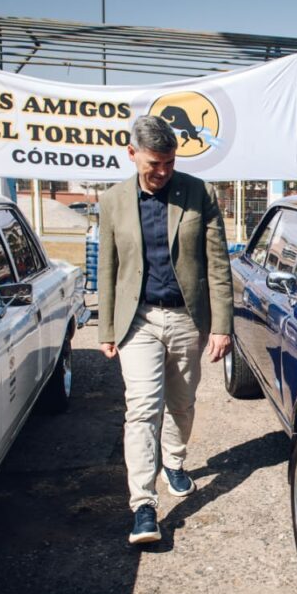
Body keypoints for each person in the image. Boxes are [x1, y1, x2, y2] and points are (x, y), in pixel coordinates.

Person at [97, 114, 233, 544]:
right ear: (132, 154)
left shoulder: (199, 193)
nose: (161, 172)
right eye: (153, 163)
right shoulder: (113, 200)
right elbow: (108, 268)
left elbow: (217, 264)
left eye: (169, 163)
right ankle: (143, 504)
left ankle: (173, 460)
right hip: (137, 320)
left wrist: (221, 325)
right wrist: (105, 327)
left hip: (185, 319)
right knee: (141, 409)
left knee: (182, 402)